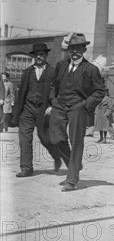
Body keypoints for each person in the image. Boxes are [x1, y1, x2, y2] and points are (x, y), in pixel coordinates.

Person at [47, 33, 106, 192]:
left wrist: (85, 105)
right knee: (55, 138)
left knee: (76, 142)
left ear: (84, 49)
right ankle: (75, 164)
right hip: (59, 105)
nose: (74, 51)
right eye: (72, 48)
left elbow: (100, 91)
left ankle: (71, 180)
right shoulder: (61, 65)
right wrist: (52, 100)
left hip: (77, 107)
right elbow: (53, 84)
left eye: (78, 48)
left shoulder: (91, 69)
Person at [12, 43, 65, 177]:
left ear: (46, 55)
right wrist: (17, 113)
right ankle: (27, 168)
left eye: (41, 54)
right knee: (25, 139)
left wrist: (52, 106)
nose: (39, 57)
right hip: (27, 110)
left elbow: (58, 91)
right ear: (34, 56)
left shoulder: (53, 72)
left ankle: (57, 155)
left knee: (45, 138)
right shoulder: (27, 72)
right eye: (37, 55)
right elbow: (21, 93)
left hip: (44, 110)